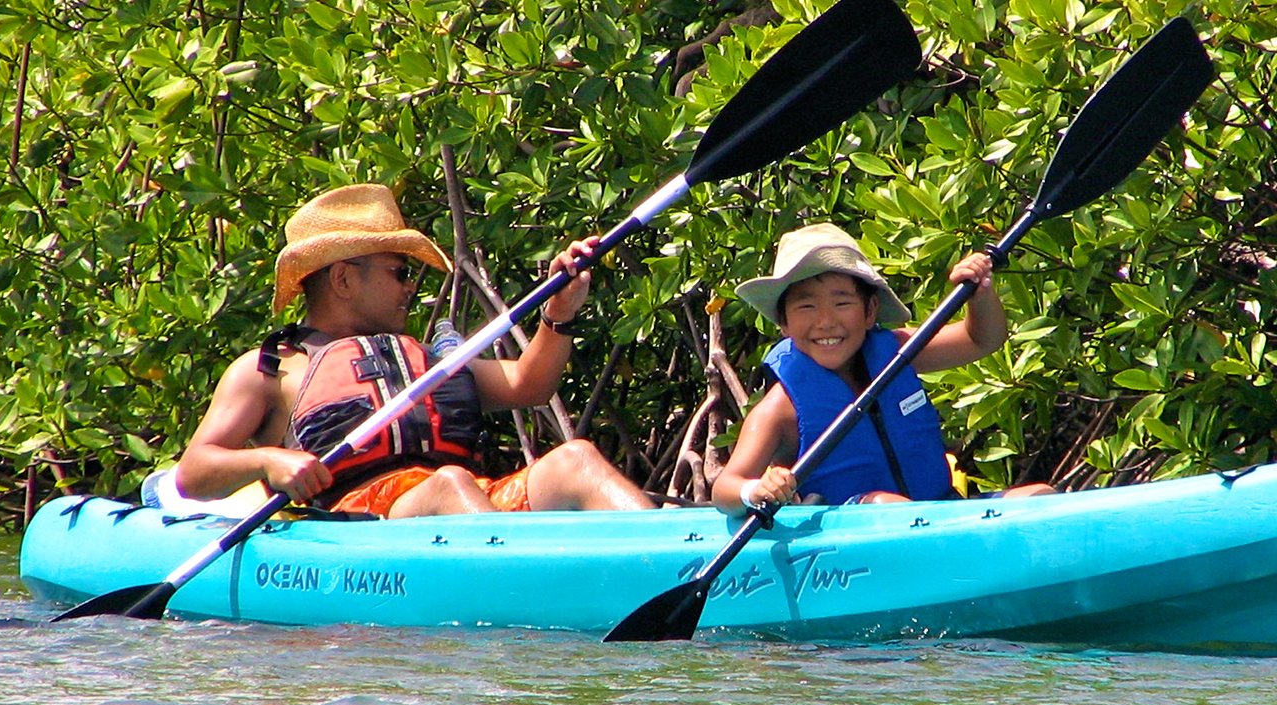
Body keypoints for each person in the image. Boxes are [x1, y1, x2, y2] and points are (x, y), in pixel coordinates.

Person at [173, 183, 655, 517]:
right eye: (398, 273)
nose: (410, 288)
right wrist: (268, 462)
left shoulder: (422, 361)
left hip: (465, 508)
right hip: (358, 522)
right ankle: (515, 579)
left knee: (577, 458)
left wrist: (560, 312)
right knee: (449, 485)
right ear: (343, 278)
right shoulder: (269, 370)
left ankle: (669, 556)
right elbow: (194, 473)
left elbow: (529, 384)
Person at [712, 223, 1053, 516]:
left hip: (937, 513)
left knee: (1039, 498)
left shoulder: (897, 352)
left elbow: (981, 340)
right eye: (806, 306)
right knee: (886, 505)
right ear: (783, 323)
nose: (826, 321)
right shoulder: (778, 408)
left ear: (870, 310)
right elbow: (725, 487)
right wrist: (755, 490)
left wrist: (979, 295)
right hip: (856, 534)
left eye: (842, 302)